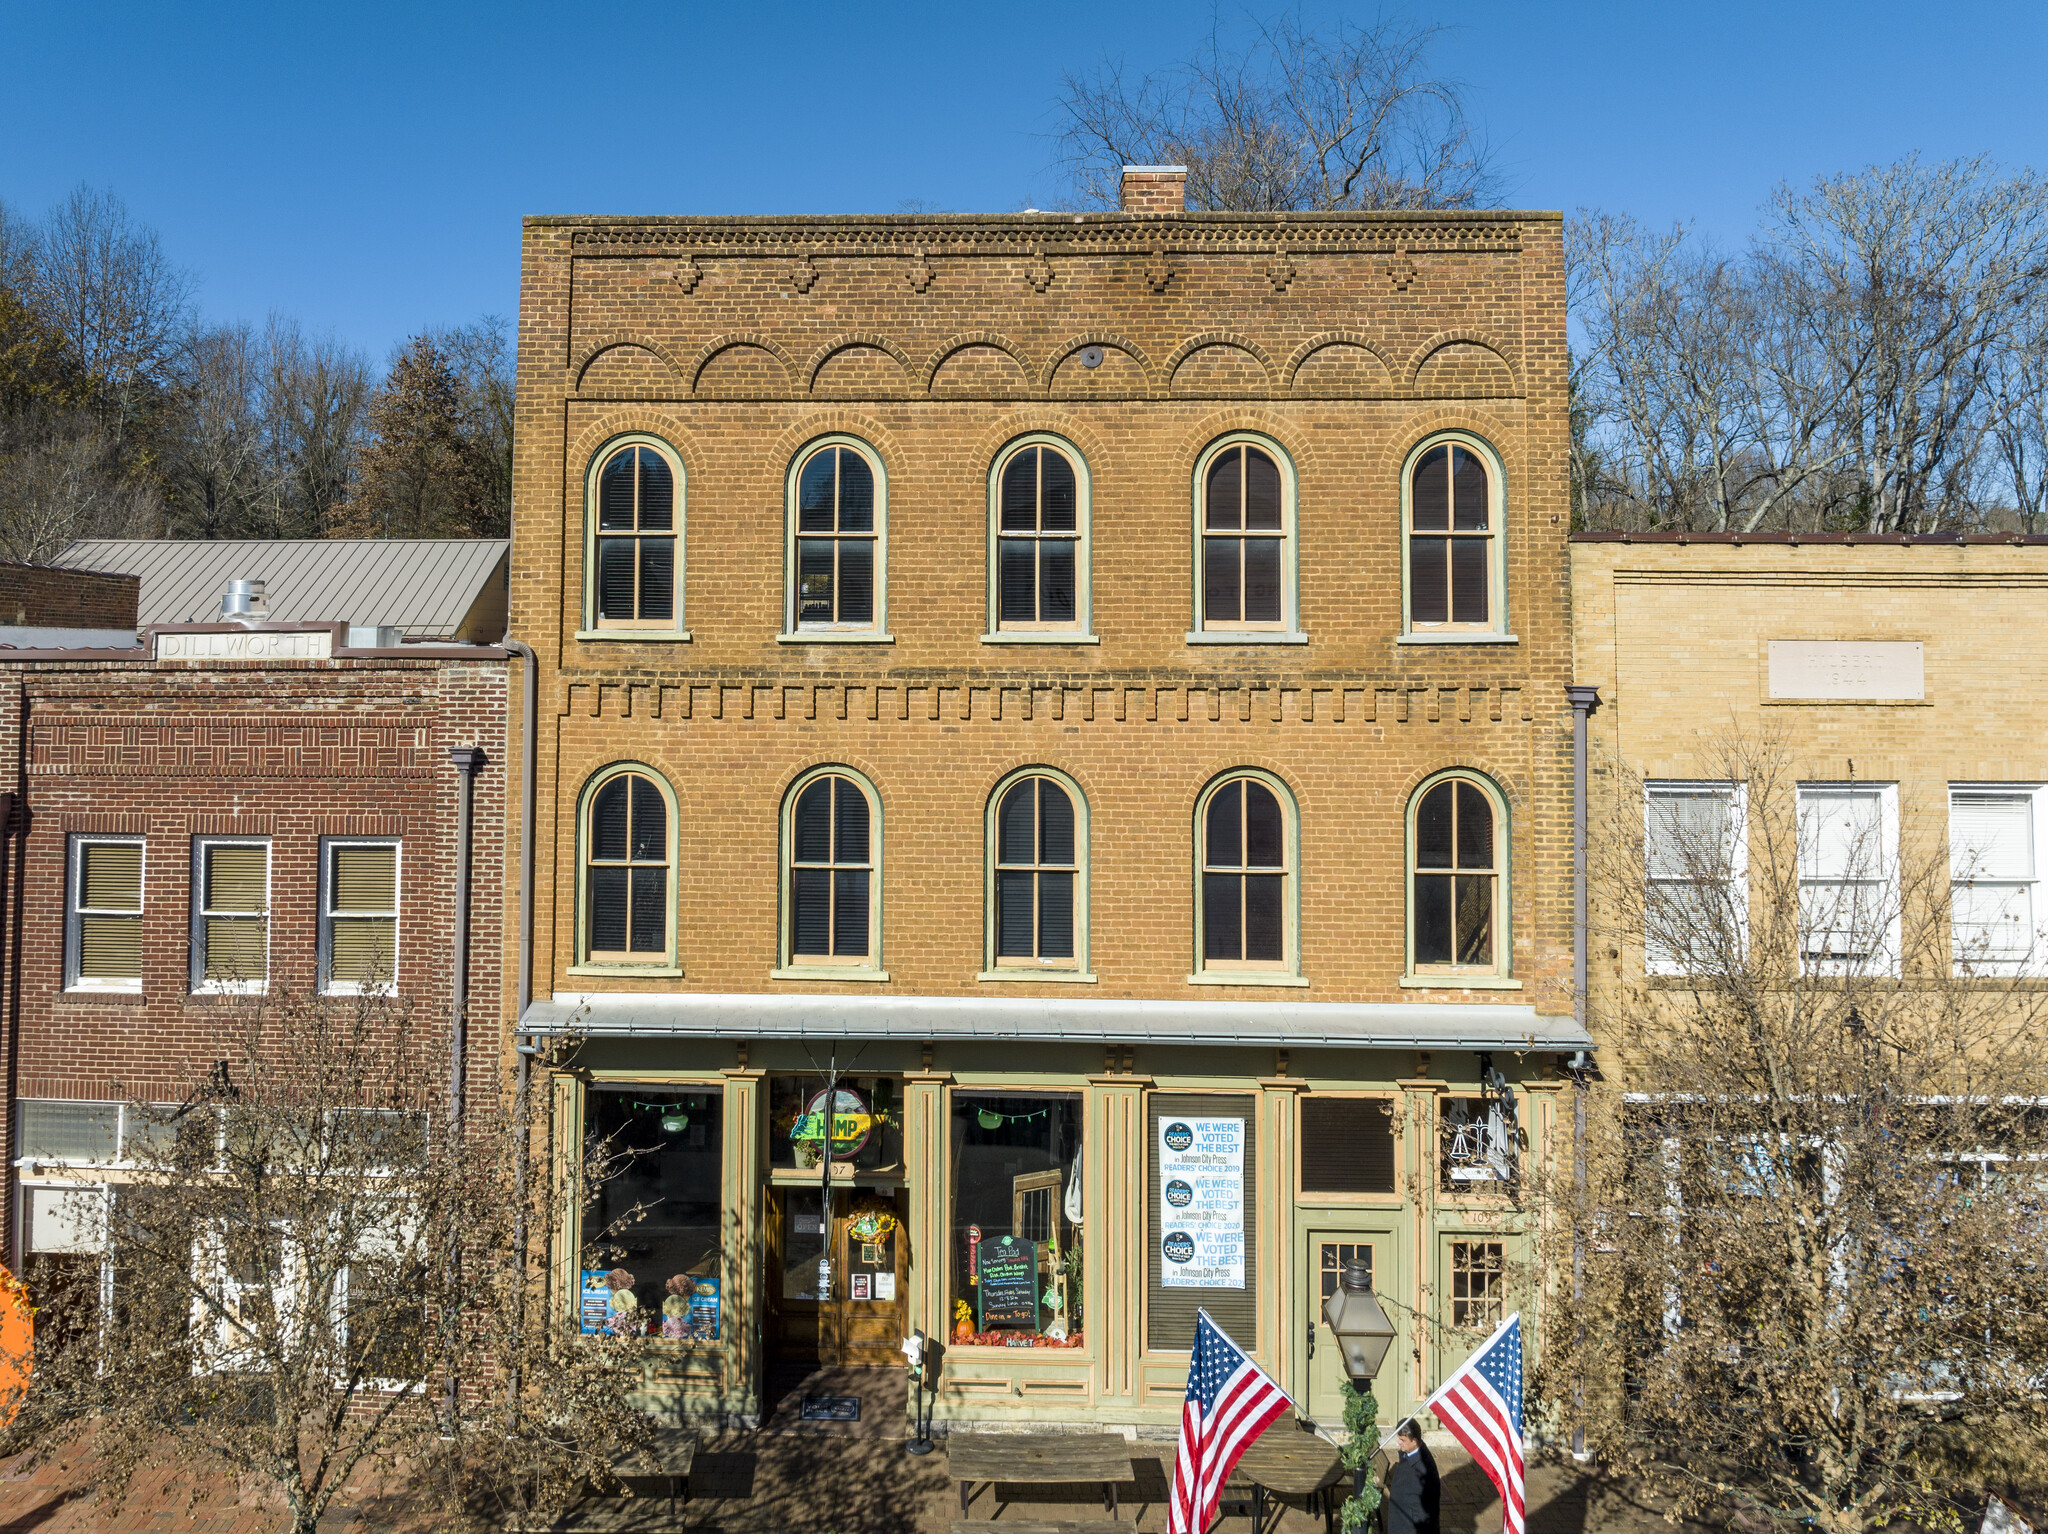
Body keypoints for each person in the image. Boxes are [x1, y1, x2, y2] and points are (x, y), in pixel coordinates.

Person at [1384, 1418, 1441, 1534]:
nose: (1399, 1442)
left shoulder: (1424, 1471)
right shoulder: (1412, 1452)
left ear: (1414, 1441)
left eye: (1402, 1440)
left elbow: (1423, 1514)